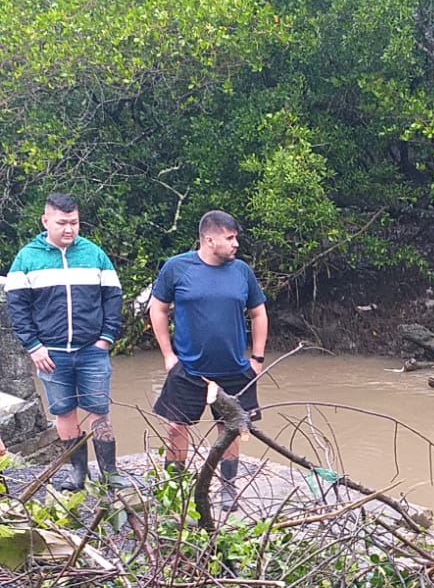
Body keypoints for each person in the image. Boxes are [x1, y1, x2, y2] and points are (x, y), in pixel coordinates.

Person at [148, 210, 268, 511]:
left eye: (235, 237)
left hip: (234, 369)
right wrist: (168, 355)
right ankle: (174, 491)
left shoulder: (242, 272)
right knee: (176, 427)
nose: (236, 244)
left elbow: (259, 313)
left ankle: (228, 490)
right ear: (209, 239)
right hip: (188, 368)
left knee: (230, 429)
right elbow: (158, 309)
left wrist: (257, 358)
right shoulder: (177, 268)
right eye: (230, 238)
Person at [5, 192, 123, 490]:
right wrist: (33, 346)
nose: (69, 229)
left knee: (99, 410)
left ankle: (110, 474)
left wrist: (106, 337)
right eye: (62, 223)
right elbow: (17, 307)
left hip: (92, 350)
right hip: (50, 353)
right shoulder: (27, 258)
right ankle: (78, 474)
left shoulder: (95, 254)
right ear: (46, 221)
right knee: (63, 412)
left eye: (74, 222)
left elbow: (113, 297)